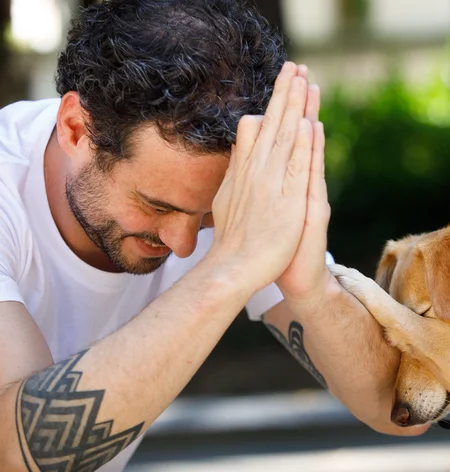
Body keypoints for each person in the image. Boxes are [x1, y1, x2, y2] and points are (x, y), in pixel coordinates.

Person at [0, 1, 426, 471]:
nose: (183, 243)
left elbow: (400, 412)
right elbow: (14, 451)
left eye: (207, 218)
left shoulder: (226, 197)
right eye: (155, 205)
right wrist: (229, 269)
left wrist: (312, 288)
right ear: (76, 129)